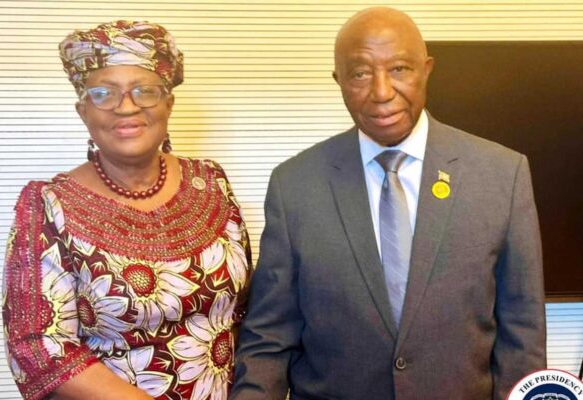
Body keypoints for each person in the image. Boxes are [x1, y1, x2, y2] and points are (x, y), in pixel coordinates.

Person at [231, 7, 545, 400]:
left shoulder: (501, 175)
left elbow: (522, 332)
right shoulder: (295, 185)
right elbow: (269, 339)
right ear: (339, 81)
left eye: (399, 69)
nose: (381, 92)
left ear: (426, 69)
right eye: (360, 73)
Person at [2, 20, 252, 400]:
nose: (127, 106)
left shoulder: (212, 182)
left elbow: (247, 310)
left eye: (145, 91)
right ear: (82, 110)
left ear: (169, 103)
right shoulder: (48, 205)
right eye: (103, 93)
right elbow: (38, 348)